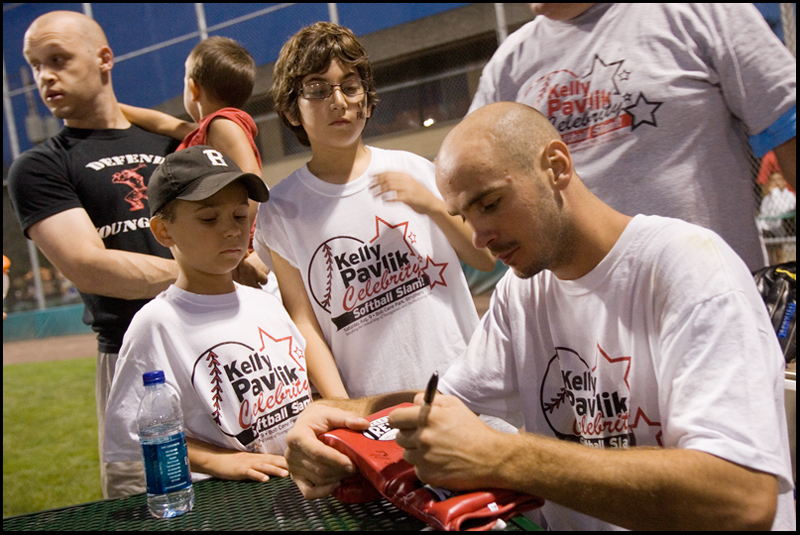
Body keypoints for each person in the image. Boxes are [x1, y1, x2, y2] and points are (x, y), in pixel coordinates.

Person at [282, 103, 794, 530]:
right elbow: (442, 402)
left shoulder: (691, 269)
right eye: (464, 216)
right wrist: (337, 416)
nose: (478, 238)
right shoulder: (521, 294)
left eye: (490, 203)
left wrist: (504, 456)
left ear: (556, 166)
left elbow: (742, 498)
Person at [6, 10, 268, 498]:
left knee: (259, 489)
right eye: (35, 65)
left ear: (105, 58)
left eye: (58, 59)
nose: (44, 75)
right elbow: (90, 266)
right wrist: (205, 272)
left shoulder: (173, 143)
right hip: (135, 360)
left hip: (222, 343)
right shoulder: (40, 165)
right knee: (149, 504)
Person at [253, 22, 496, 399]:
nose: (339, 101)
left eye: (350, 86)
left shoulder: (416, 169)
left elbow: (483, 259)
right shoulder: (282, 209)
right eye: (318, 89)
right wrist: (345, 409)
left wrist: (431, 206)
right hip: (375, 408)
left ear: (366, 98)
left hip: (463, 388)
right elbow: (304, 321)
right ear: (291, 111)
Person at [467, 3, 796, 273]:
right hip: (583, 322)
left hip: (710, 296)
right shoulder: (507, 67)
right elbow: (470, 177)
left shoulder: (700, 11)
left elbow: (788, 126)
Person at [103, 146, 309, 498]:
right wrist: (218, 461)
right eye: (209, 219)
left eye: (240, 216)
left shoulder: (267, 302)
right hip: (227, 497)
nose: (231, 230)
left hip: (298, 481)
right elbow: (134, 434)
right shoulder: (157, 322)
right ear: (164, 231)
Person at [119, 35, 263, 225]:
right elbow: (164, 124)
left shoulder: (223, 125)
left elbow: (251, 176)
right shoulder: (206, 129)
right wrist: (113, 107)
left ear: (193, 88)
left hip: (235, 237)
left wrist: (239, 232)